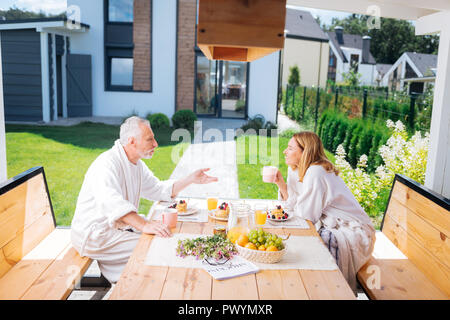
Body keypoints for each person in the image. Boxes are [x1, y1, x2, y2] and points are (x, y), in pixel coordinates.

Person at [71, 116, 218, 283]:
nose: (155, 144)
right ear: (132, 141)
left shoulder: (135, 163)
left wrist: (190, 179)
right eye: (150, 139)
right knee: (158, 246)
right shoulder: (106, 164)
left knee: (165, 240)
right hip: (94, 236)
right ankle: (142, 286)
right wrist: (145, 225)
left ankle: (145, 282)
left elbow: (157, 189)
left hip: (115, 231)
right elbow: (112, 204)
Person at [273, 131, 375, 293]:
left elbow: (307, 215)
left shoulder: (316, 172)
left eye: (290, 148)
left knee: (320, 241)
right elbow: (295, 204)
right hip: (332, 221)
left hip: (354, 229)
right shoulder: (296, 168)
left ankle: (327, 289)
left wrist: (294, 206)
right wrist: (281, 185)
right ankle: (304, 284)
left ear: (305, 152)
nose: (285, 151)